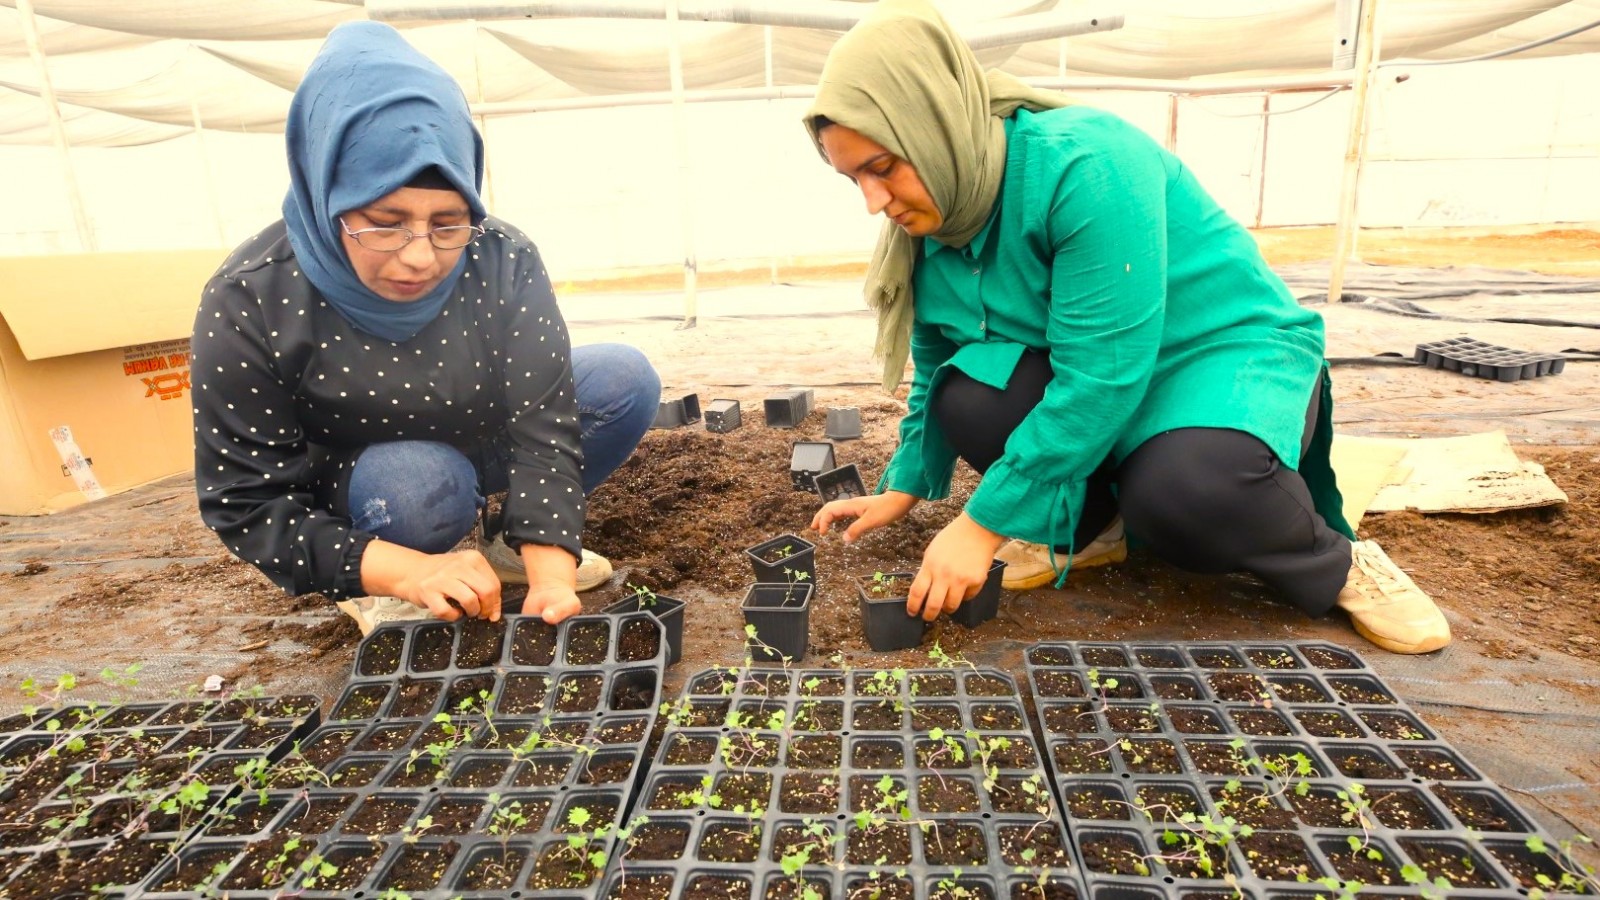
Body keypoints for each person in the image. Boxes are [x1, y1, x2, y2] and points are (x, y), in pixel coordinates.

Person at [804, 0, 1450, 654]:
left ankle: (1337, 562)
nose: (874, 202)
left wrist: (980, 526)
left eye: (882, 167)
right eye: (853, 178)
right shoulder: (934, 216)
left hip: (1213, 353)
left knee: (1185, 490)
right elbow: (937, 358)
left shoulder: (1086, 165)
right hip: (1097, 367)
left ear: (933, 125)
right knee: (967, 394)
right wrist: (903, 486)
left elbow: (1102, 376)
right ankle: (1088, 530)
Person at [190, 22, 659, 636]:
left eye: (447, 223)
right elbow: (247, 501)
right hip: (366, 478)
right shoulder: (252, 296)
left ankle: (507, 542)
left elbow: (544, 427)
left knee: (621, 379)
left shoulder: (502, 258)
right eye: (385, 223)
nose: (420, 256)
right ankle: (379, 575)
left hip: (473, 435)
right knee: (419, 484)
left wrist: (550, 575)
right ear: (326, 194)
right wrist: (405, 571)